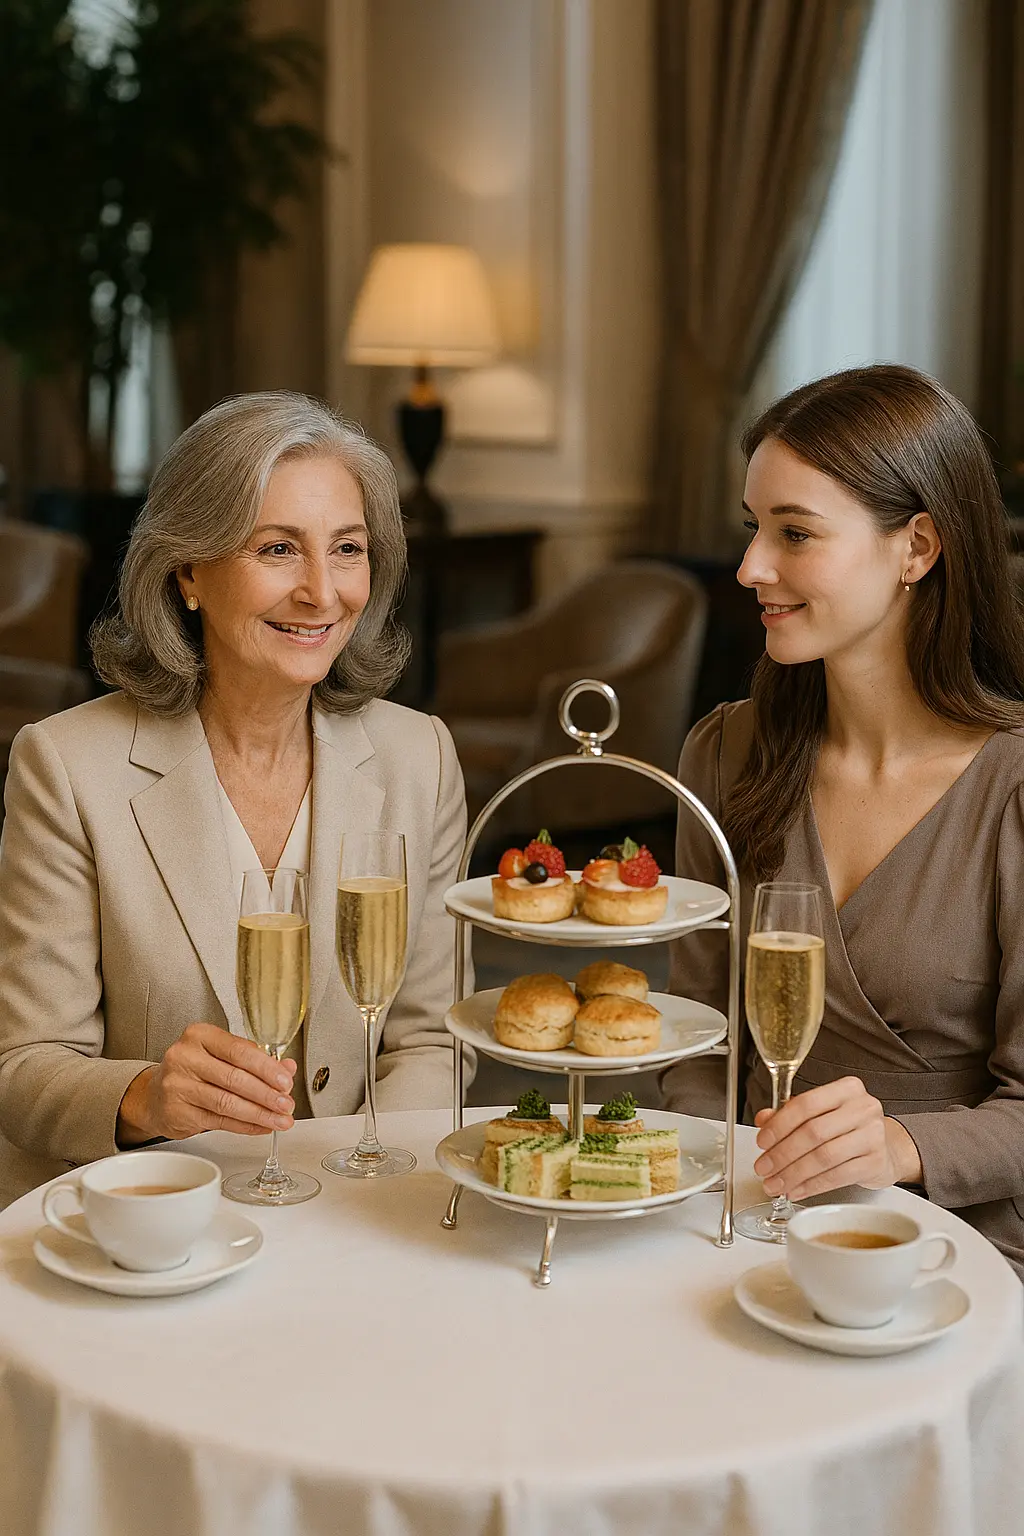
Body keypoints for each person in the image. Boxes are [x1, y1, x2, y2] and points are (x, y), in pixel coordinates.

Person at [0, 392, 470, 1206]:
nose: (323, 592)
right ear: (188, 569)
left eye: (347, 549)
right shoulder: (67, 765)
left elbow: (431, 1039)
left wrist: (354, 1191)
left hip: (358, 1212)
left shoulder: (418, 756)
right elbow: (24, 1066)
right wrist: (144, 1096)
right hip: (150, 1222)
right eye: (279, 549)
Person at [660, 363, 1024, 1278]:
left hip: (954, 1255)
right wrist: (717, 1199)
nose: (751, 568)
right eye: (754, 529)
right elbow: (697, 1038)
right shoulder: (725, 753)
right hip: (744, 1226)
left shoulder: (1012, 788)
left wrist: (897, 1149)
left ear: (918, 547)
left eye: (796, 534)